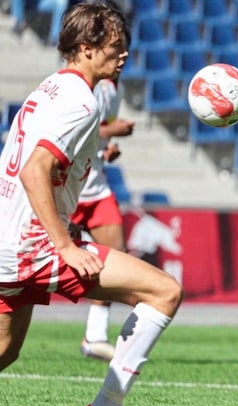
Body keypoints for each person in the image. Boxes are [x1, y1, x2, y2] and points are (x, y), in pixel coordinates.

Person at [0, 3, 182, 406]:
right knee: (164, 291)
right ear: (85, 48)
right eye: (115, 47)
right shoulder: (82, 101)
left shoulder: (52, 86)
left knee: (4, 352)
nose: (123, 56)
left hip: (9, 238)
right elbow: (34, 169)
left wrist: (95, 154)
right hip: (34, 245)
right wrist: (64, 246)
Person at [72, 75, 136, 362]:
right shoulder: (83, 84)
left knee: (114, 258)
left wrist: (108, 148)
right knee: (30, 263)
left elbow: (98, 138)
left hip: (97, 189)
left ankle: (95, 337)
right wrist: (115, 129)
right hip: (69, 189)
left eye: (126, 47)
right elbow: (77, 130)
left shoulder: (115, 89)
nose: (122, 54)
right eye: (117, 44)